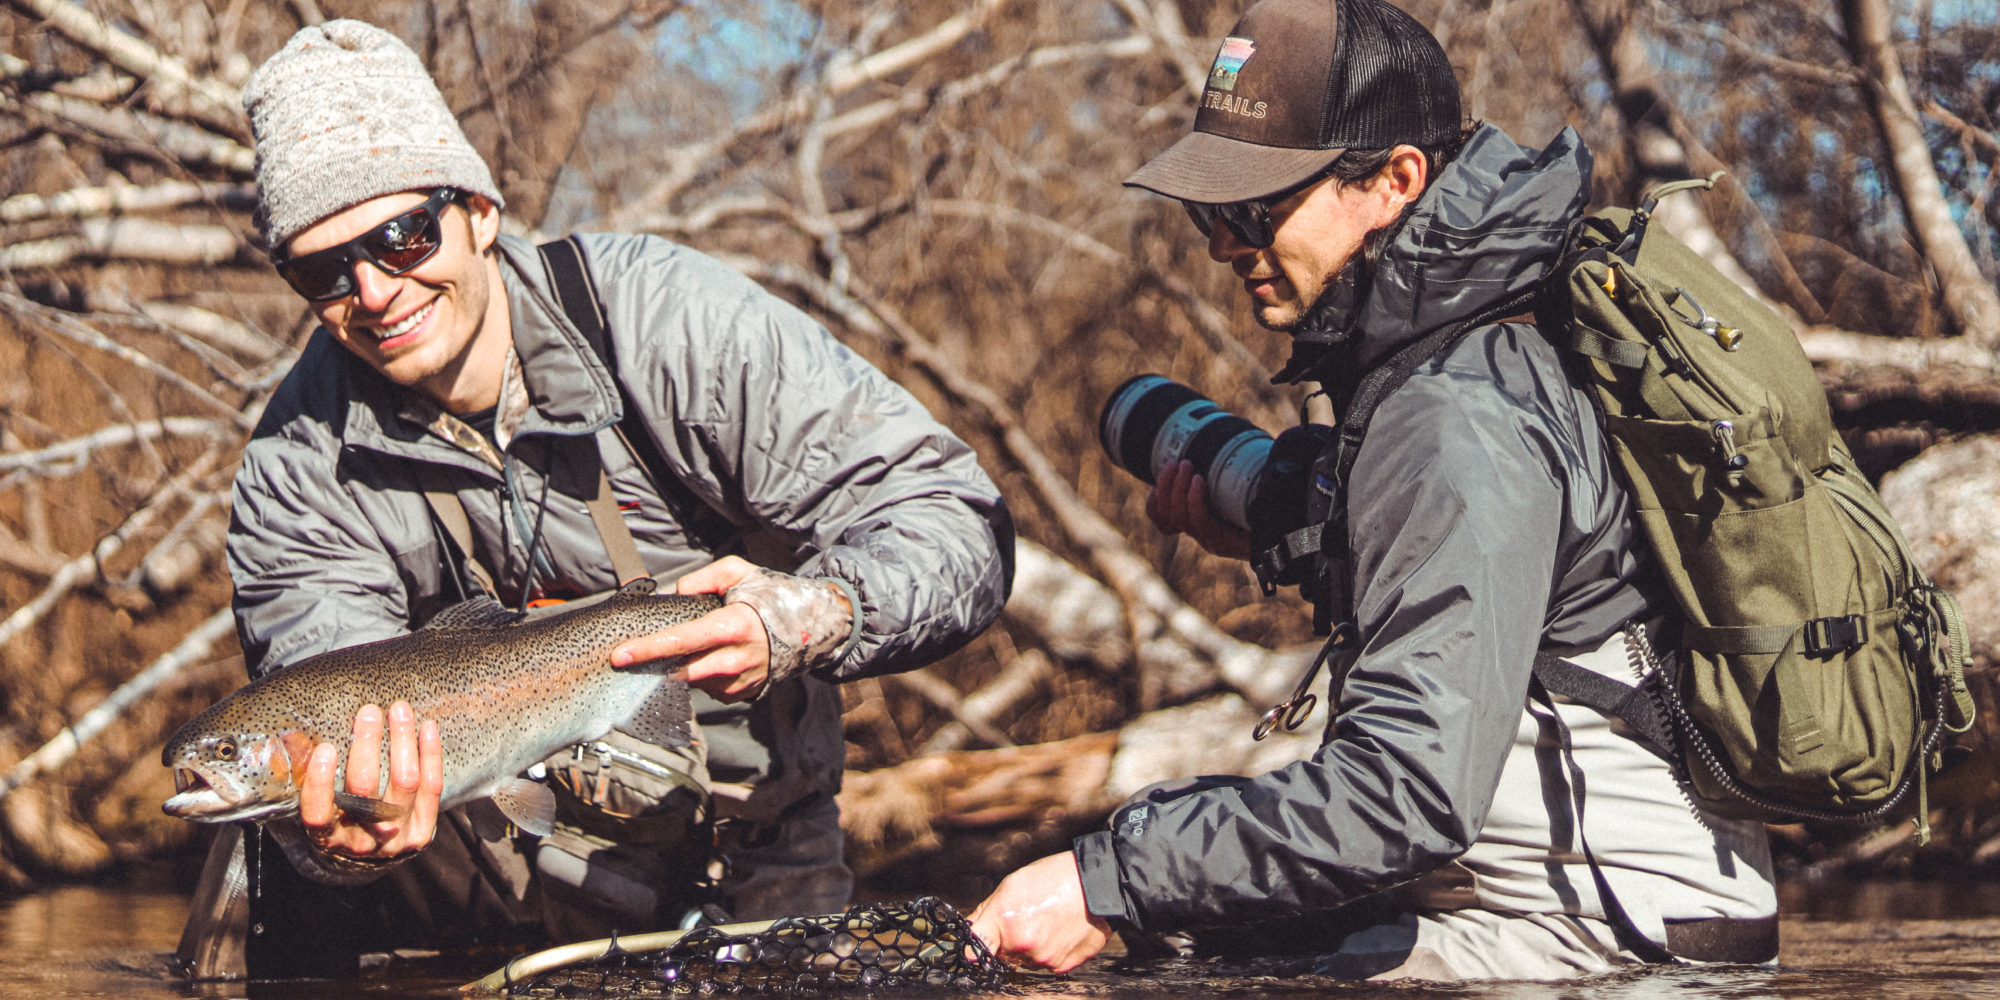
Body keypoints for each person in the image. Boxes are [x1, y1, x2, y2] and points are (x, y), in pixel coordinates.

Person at [184, 18, 1012, 976]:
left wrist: (813, 612)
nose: (373, 290)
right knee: (254, 850)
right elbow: (323, 684)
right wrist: (333, 839)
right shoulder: (298, 464)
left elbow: (958, 519)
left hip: (737, 876)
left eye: (402, 236)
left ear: (481, 211)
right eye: (322, 269)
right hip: (459, 886)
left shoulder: (670, 326)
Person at [970, 0, 1776, 981]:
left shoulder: (1454, 413)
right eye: (1206, 213)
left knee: (1151, 929)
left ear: (1395, 179)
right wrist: (1287, 532)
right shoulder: (1473, 357)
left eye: (1252, 205)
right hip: (1621, 907)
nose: (1224, 245)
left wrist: (1105, 881)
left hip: (1609, 936)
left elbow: (1400, 794)